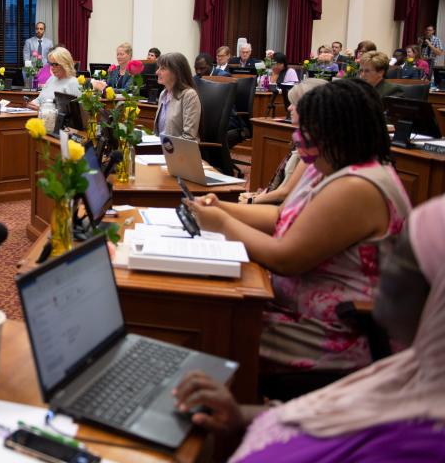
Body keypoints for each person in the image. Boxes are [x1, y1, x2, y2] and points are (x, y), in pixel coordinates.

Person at [173, 193, 445, 463]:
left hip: (325, 336)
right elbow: (336, 411)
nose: (384, 271)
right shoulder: (413, 370)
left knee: (212, 328)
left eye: (403, 261)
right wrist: (241, 414)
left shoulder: (424, 445)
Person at [187, 79, 411, 377]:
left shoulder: (359, 186)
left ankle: (232, 417)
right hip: (294, 311)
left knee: (203, 329)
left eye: (305, 128)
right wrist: (220, 207)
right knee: (205, 308)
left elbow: (285, 259)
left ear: (336, 131)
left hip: (336, 333)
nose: (298, 136)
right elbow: (282, 216)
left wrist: (223, 224)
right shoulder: (330, 166)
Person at [239, 79, 326, 206]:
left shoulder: (315, 147)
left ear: (309, 109)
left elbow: (285, 193)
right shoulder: (305, 140)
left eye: (294, 104)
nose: (289, 108)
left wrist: (252, 201)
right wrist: (260, 195)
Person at [153, 52, 201, 141]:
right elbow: (159, 132)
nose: (157, 72)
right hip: (162, 148)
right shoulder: (163, 94)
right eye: (158, 68)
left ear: (176, 72)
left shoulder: (189, 95)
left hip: (180, 151)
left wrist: (165, 149)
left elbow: (189, 137)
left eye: (162, 69)